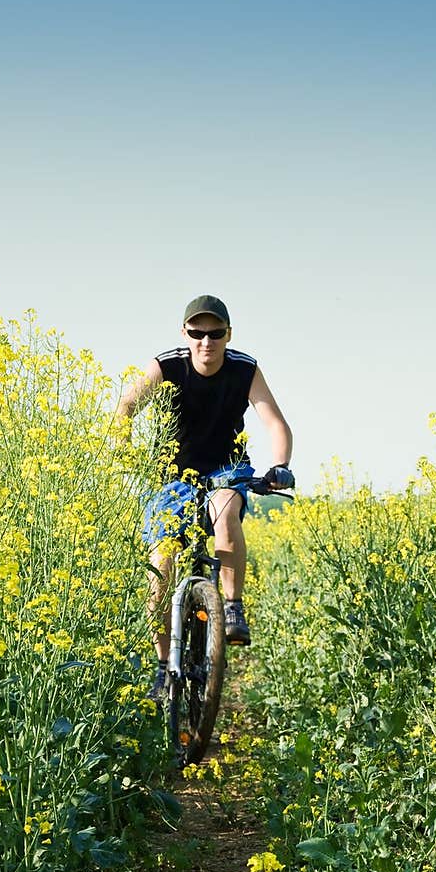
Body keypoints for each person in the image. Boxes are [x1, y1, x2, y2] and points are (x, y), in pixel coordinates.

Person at [116, 294, 295, 699]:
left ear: (228, 335)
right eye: (197, 333)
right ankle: (164, 665)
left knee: (225, 508)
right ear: (185, 333)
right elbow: (125, 407)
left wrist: (280, 464)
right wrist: (124, 451)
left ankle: (231, 606)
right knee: (161, 561)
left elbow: (275, 423)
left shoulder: (244, 368)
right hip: (170, 475)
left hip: (226, 468)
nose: (206, 342)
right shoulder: (167, 366)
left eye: (215, 333)